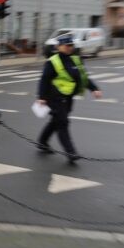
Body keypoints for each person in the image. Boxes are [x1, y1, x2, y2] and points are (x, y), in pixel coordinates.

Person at [36, 33, 102, 164]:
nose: (69, 47)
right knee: (63, 123)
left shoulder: (76, 60)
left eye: (71, 45)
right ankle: (70, 152)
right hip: (53, 97)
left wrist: (94, 88)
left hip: (68, 98)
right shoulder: (52, 61)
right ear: (59, 46)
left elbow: (83, 78)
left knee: (56, 121)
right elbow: (44, 79)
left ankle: (42, 142)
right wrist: (41, 97)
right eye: (67, 45)